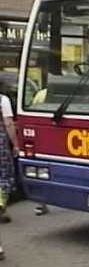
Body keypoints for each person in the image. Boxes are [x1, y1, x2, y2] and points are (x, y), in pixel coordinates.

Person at [0, 79, 19, 223]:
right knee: (5, 175)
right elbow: (8, 123)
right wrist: (16, 144)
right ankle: (0, 206)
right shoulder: (3, 100)